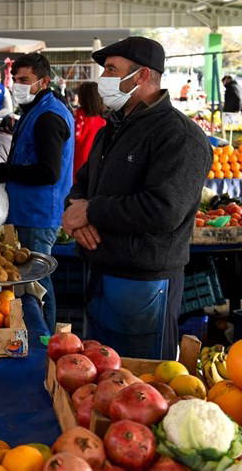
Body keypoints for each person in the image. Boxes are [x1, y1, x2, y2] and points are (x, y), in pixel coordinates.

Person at [62, 36, 211, 360]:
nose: (104, 79)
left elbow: (164, 209)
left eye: (112, 70)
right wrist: (76, 215)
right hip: (98, 270)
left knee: (141, 381)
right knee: (99, 377)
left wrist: (92, 211)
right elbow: (82, 184)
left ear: (142, 75)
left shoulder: (179, 136)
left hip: (143, 283)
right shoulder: (110, 130)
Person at [0, 53, 72, 332]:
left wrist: (6, 171)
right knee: (33, 282)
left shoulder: (49, 116)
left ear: (43, 81)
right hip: (28, 211)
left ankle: (46, 343)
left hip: (38, 214)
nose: (17, 86)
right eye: (15, 80)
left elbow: (49, 172)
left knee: (38, 285)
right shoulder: (37, 110)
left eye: (24, 80)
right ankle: (39, 338)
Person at [73, 81, 106, 178]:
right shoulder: (103, 121)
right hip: (95, 166)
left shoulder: (78, 117)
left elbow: (73, 138)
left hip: (77, 164)